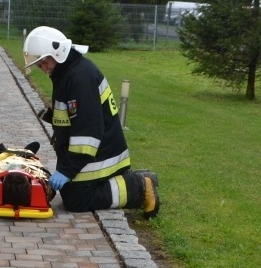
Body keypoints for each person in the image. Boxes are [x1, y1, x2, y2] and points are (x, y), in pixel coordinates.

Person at [22, 26, 160, 218]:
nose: (43, 68)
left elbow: (88, 135)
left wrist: (66, 170)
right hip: (95, 150)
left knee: (77, 199)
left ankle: (139, 185)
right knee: (70, 193)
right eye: (39, 64)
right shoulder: (67, 72)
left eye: (44, 61)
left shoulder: (79, 77)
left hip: (102, 154)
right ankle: (132, 181)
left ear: (58, 52)